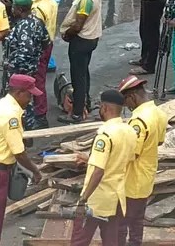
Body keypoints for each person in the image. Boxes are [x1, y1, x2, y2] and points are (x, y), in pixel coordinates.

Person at [0, 74, 43, 246]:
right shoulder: (11, 115)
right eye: (29, 95)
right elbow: (19, 153)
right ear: (19, 92)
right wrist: (35, 171)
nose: (30, 100)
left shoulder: (3, 103)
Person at [70, 90, 136, 246]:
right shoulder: (130, 132)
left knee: (79, 240)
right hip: (116, 197)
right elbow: (120, 159)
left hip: (97, 199)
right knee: (111, 240)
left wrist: (83, 200)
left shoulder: (104, 135)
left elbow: (99, 171)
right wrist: (91, 159)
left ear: (105, 108)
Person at [117, 76, 169, 244]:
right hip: (147, 174)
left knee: (121, 223)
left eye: (126, 102)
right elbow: (160, 141)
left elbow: (131, 154)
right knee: (137, 222)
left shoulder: (138, 121)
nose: (127, 107)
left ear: (132, 96)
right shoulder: (158, 113)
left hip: (133, 179)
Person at [58, 0, 103, 124]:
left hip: (81, 40)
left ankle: (77, 113)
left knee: (78, 77)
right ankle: (86, 102)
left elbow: (77, 25)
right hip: (91, 39)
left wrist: (67, 34)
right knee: (84, 72)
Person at [2, 0, 52, 129]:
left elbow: (25, 51)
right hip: (32, 68)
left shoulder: (24, 26)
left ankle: (23, 129)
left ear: (19, 9)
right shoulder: (37, 21)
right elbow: (46, 42)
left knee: (19, 100)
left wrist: (15, 68)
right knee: (26, 98)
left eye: (13, 7)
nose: (12, 10)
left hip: (20, 71)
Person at [30, 0, 58, 128]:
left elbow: (35, 31)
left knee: (37, 79)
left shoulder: (38, 8)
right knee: (40, 77)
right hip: (49, 43)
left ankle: (40, 113)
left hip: (39, 46)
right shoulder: (52, 3)